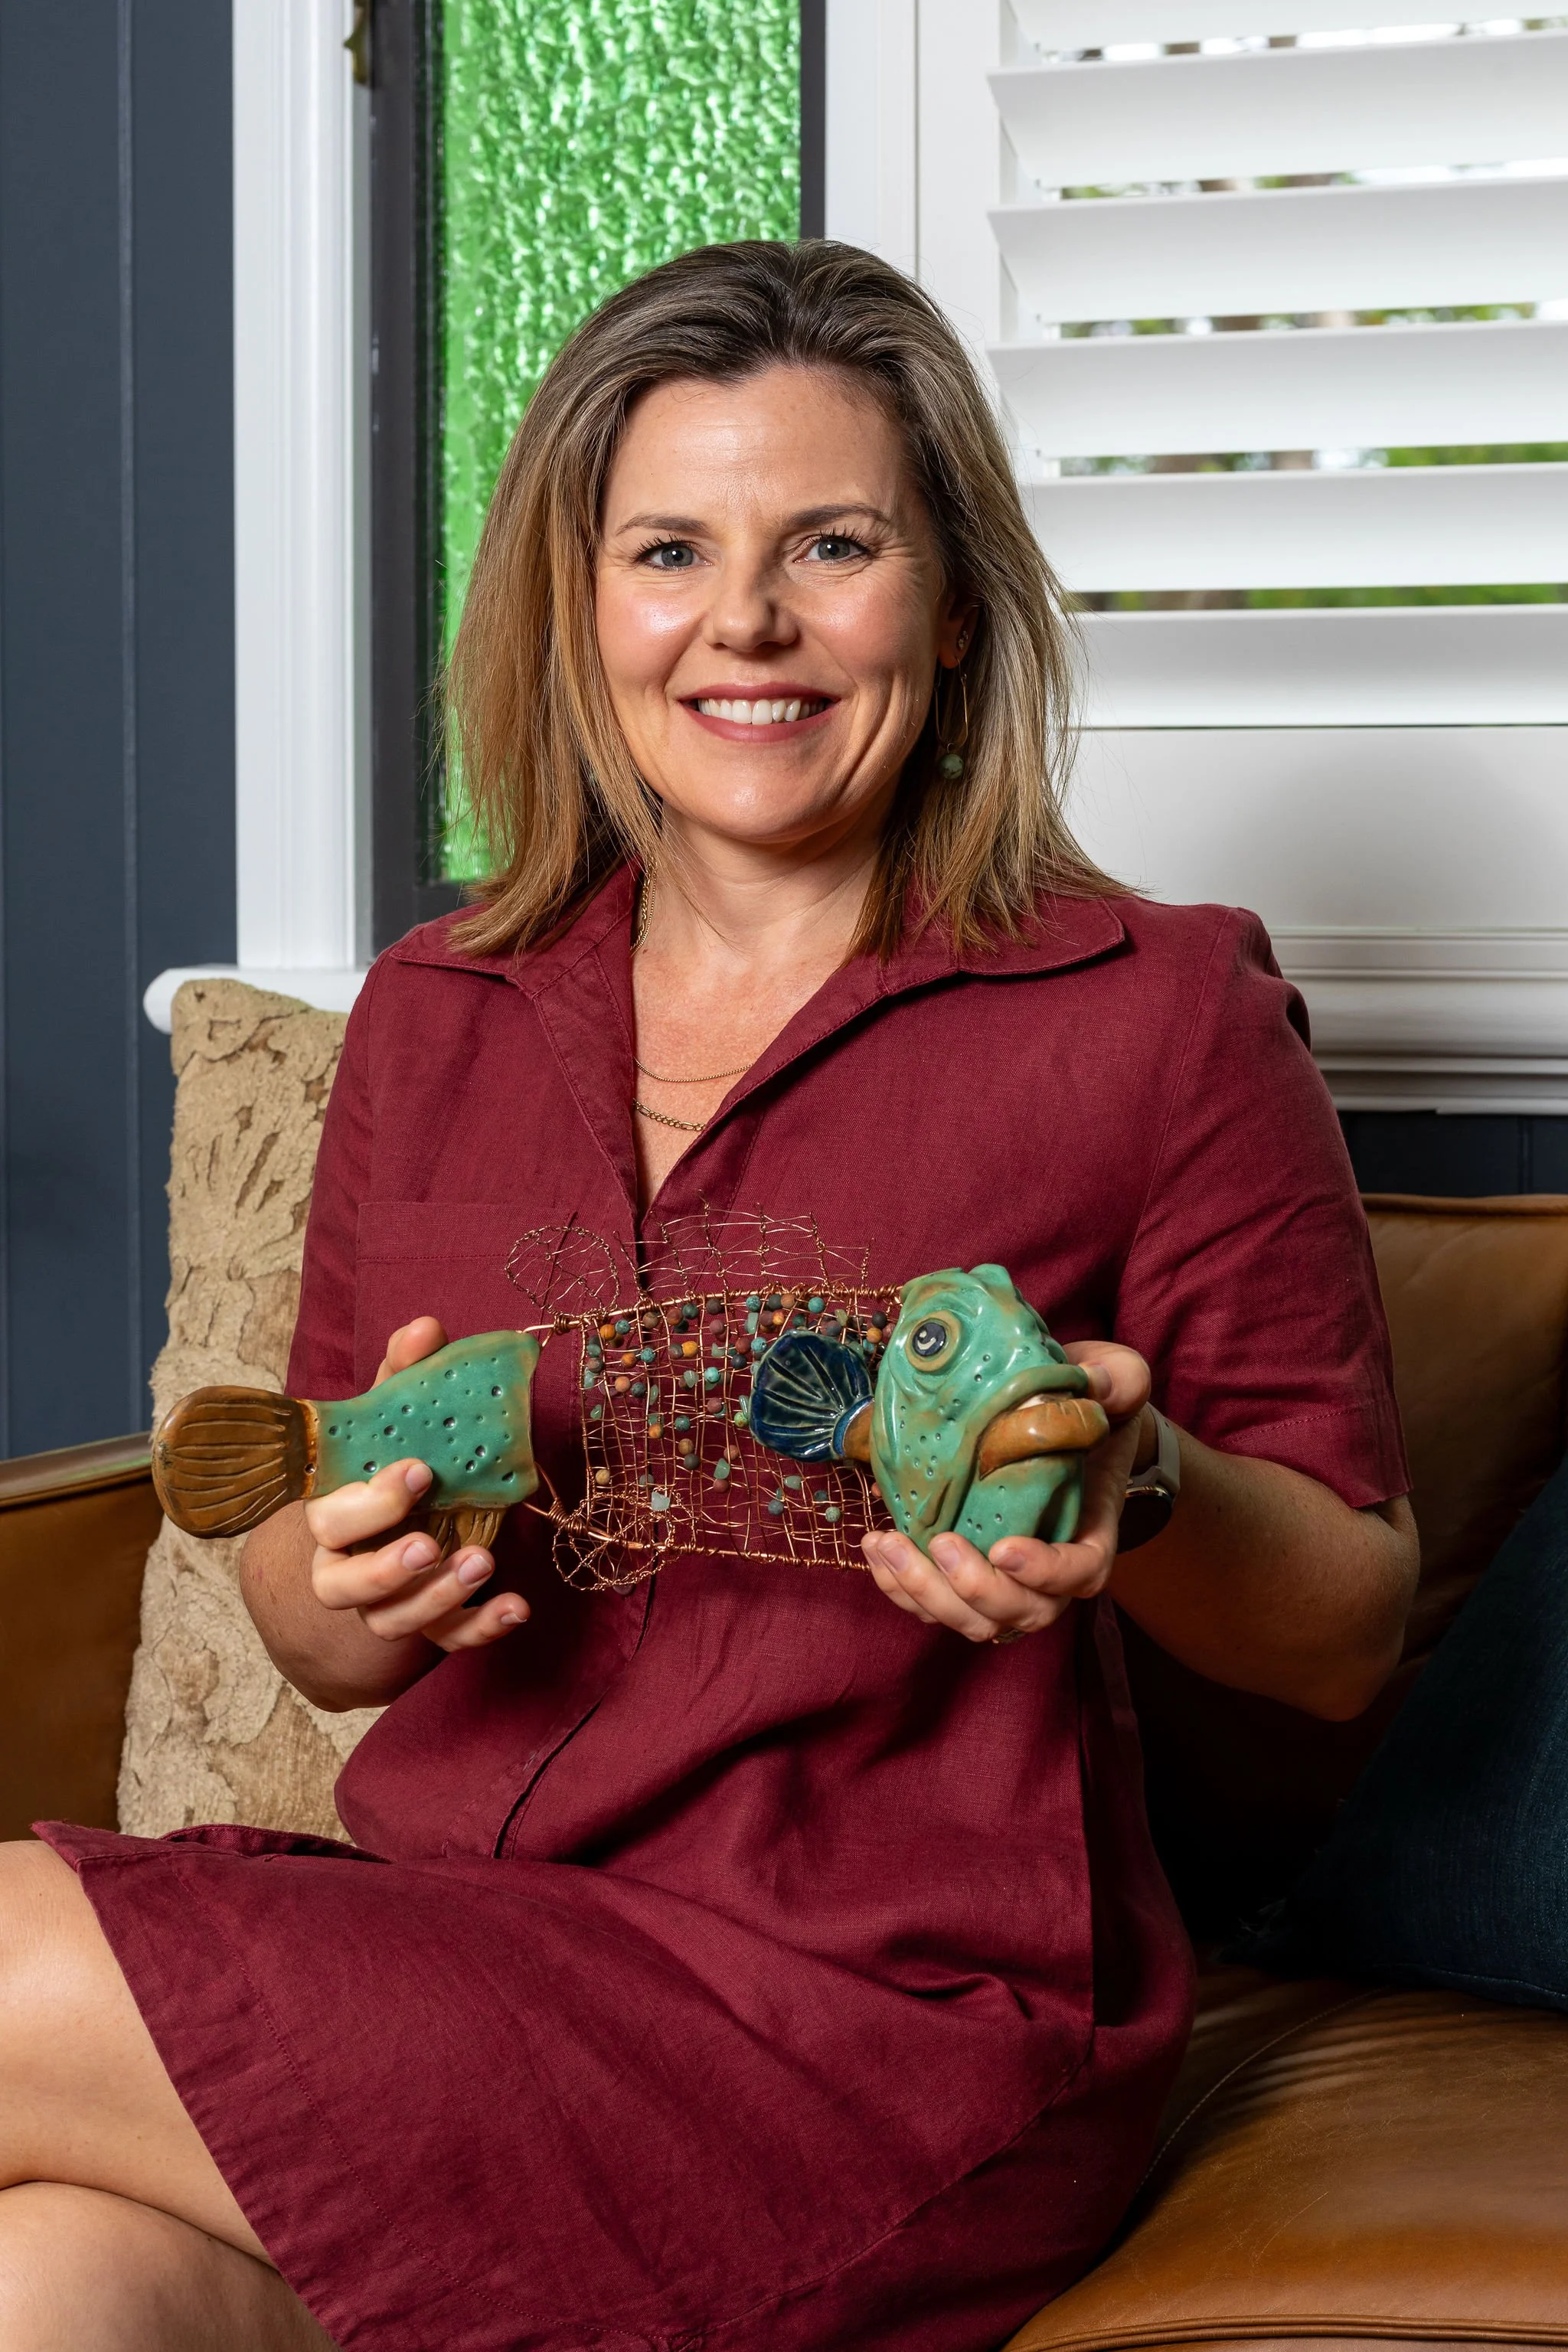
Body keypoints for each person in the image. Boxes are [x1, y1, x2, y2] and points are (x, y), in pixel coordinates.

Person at [0, 240, 1418, 2351]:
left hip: (887, 2019)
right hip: (461, 1948)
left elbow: (1350, 1633)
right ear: (584, 606)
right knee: (56, 2286)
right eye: (671, 549)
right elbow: (310, 1618)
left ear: (951, 602)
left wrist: (1137, 1487)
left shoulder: (1158, 1012)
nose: (744, 621)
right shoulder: (439, 1010)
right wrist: (359, 1577)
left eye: (831, 544)